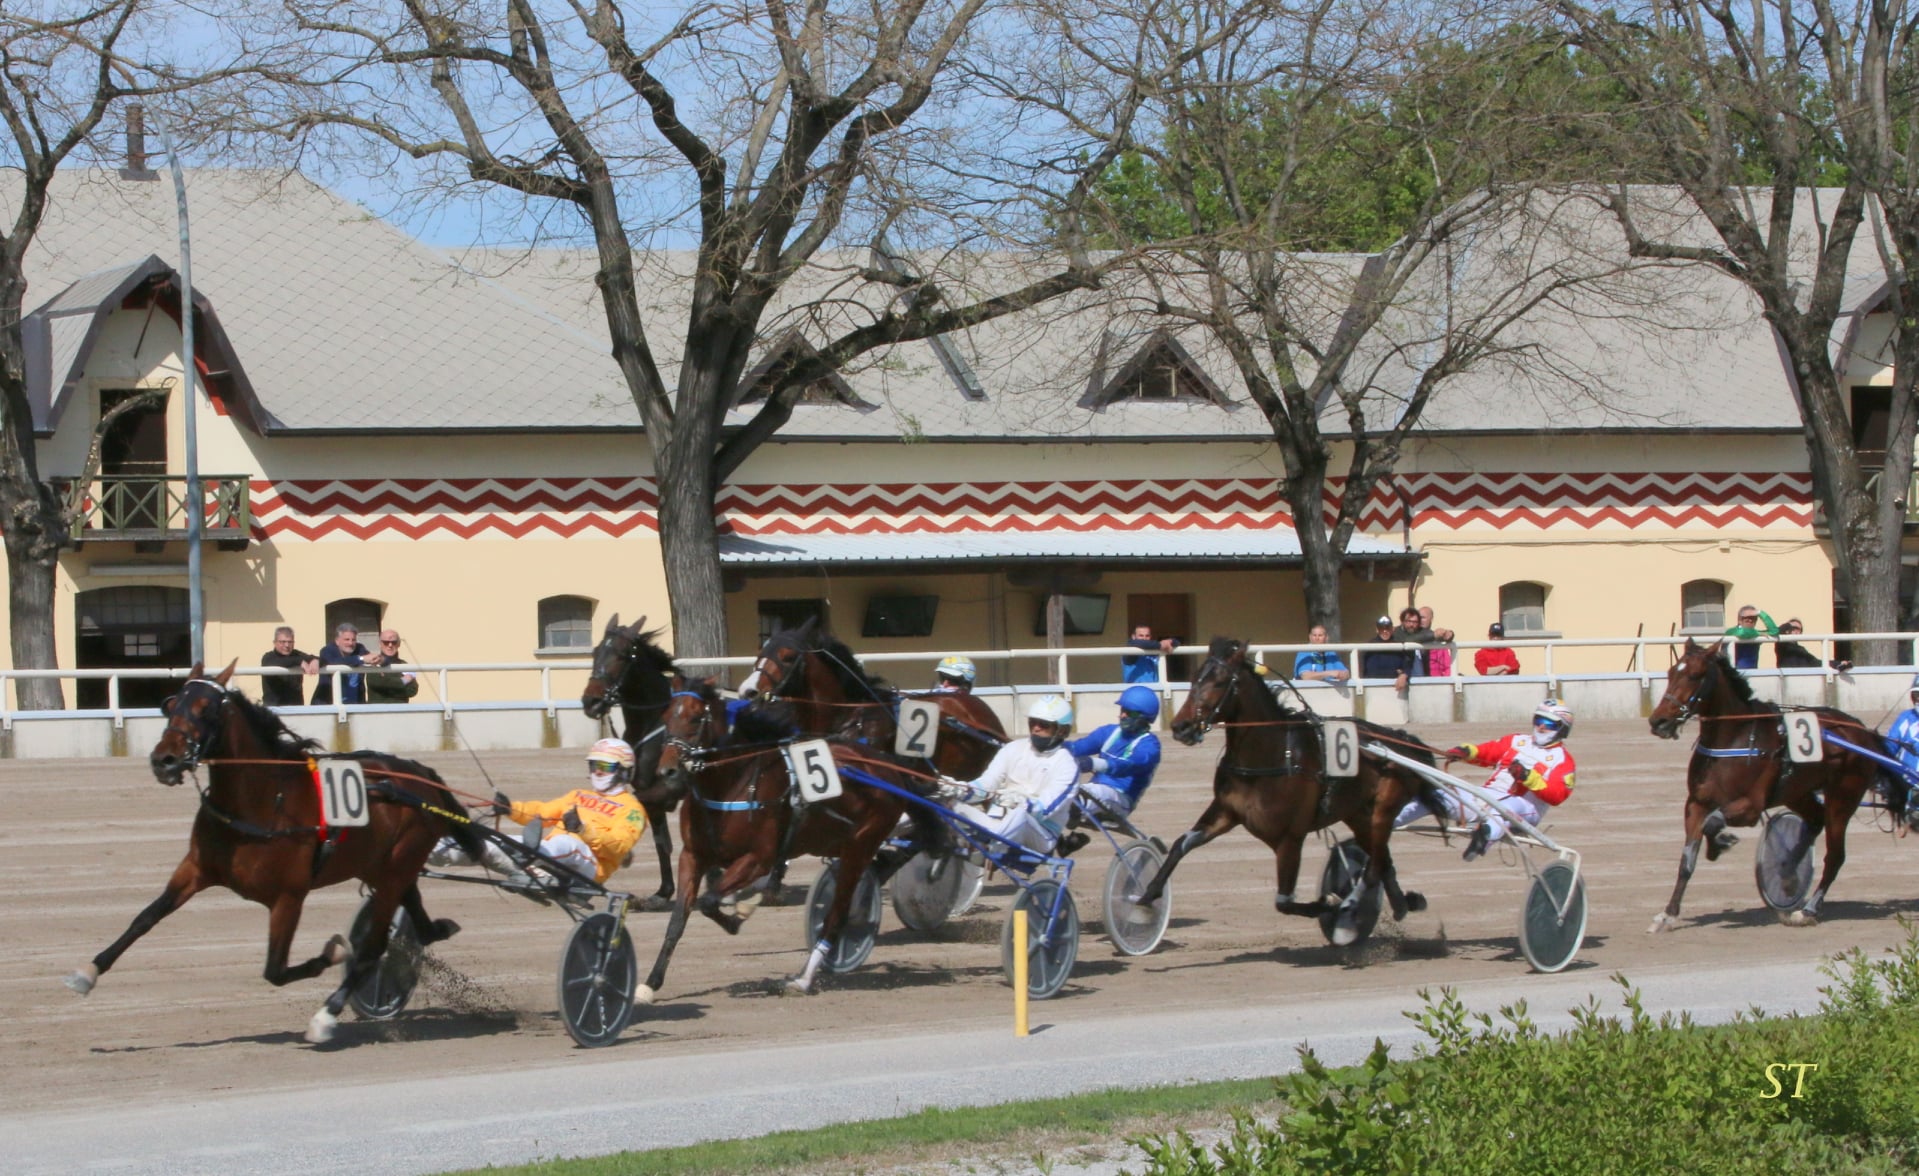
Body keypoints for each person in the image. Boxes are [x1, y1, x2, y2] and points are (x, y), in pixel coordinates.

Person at [433, 738, 649, 887]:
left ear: (623, 770)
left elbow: (620, 847)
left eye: (606, 766)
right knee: (498, 843)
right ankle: (436, 850)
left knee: (570, 844)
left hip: (589, 867)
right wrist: (510, 808)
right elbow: (543, 813)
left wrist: (583, 830)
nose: (598, 771)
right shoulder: (579, 795)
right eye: (594, 765)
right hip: (548, 853)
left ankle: (528, 855)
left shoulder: (633, 809)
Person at [1394, 700, 1578, 861]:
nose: (1541, 727)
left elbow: (1557, 795)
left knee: (1506, 807)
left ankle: (1484, 837)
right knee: (1435, 795)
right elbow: (1488, 752)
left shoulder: (1562, 760)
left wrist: (1528, 777)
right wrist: (1466, 752)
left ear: (1562, 728)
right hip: (1486, 798)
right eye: (1538, 720)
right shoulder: (1516, 740)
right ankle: (1388, 821)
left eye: (1549, 723)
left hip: (1524, 810)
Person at [944, 695, 1080, 857]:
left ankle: (988, 852)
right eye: (1032, 722)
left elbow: (1046, 808)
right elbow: (986, 784)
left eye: (1043, 725)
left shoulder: (1067, 765)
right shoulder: (1012, 748)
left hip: (1040, 833)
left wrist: (1021, 802)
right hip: (996, 824)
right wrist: (958, 789)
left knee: (1020, 815)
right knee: (945, 803)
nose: (1035, 728)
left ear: (1062, 731)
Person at [1066, 685, 1163, 818]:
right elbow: (1076, 748)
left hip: (1121, 798)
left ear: (1145, 717)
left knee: (1093, 792)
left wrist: (1094, 764)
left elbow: (1129, 765)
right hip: (1092, 791)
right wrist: (1049, 746)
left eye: (1130, 713)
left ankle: (1072, 808)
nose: (1123, 715)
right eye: (1123, 710)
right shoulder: (1109, 732)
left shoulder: (1150, 745)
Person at [310, 623, 380, 705]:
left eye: (353, 640)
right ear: (337, 641)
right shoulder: (327, 650)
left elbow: (372, 658)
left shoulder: (359, 648)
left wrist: (379, 659)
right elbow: (334, 662)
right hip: (327, 705)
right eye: (347, 639)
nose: (350, 643)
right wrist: (361, 659)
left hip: (355, 705)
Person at [259, 626, 318, 707]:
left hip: (296, 709)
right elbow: (275, 663)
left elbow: (324, 660)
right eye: (282, 642)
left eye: (290, 642)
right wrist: (298, 661)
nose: (287, 645)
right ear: (274, 642)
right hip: (274, 709)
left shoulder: (297, 655)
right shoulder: (268, 657)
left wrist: (315, 661)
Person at [1773, 618, 1853, 672]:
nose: (1795, 631)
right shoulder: (1781, 646)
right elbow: (1777, 631)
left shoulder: (1802, 650)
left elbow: (1816, 663)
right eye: (1793, 629)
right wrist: (1789, 625)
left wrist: (1839, 663)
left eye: (1798, 630)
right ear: (1787, 631)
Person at [363, 630, 421, 703]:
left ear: (399, 644)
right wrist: (403, 681)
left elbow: (412, 691)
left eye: (394, 642)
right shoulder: (373, 663)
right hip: (378, 712)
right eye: (386, 642)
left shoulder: (404, 665)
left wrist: (387, 687)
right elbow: (377, 684)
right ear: (380, 644)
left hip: (401, 712)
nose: (390, 645)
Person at [1358, 615, 1414, 690]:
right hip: (1373, 689)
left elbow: (1407, 666)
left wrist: (1404, 675)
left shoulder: (1399, 646)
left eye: (1387, 628)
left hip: (1396, 689)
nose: (1385, 631)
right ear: (1377, 630)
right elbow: (1364, 671)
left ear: (1392, 629)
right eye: (1381, 628)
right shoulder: (1368, 647)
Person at [1723, 604, 1778, 670]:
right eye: (1747, 618)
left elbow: (1774, 631)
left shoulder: (1758, 633)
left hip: (1753, 672)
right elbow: (1741, 633)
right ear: (1740, 620)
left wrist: (1760, 613)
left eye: (1753, 618)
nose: (1750, 620)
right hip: (1733, 673)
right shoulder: (1731, 631)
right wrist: (1758, 633)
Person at [1419, 606, 1456, 678]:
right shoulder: (1411, 638)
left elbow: (1447, 667)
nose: (1420, 620)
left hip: (1436, 682)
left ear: (1431, 619)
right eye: (1419, 618)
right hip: (1417, 682)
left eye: (1423, 618)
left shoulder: (1439, 641)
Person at [1396, 608, 1436, 676]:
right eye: (1409, 621)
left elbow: (1434, 635)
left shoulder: (1421, 631)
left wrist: (1449, 634)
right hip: (1403, 677)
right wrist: (1434, 635)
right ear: (1402, 621)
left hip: (1423, 678)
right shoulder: (1396, 633)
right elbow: (1408, 640)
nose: (1412, 625)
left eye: (1415, 622)